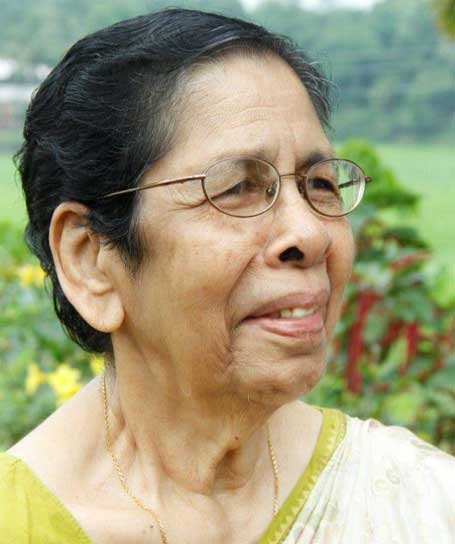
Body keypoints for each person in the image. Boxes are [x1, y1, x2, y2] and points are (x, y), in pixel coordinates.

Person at [1, 8, 453, 544]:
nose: (310, 234)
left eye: (320, 184)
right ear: (90, 260)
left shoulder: (417, 503)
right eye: (237, 188)